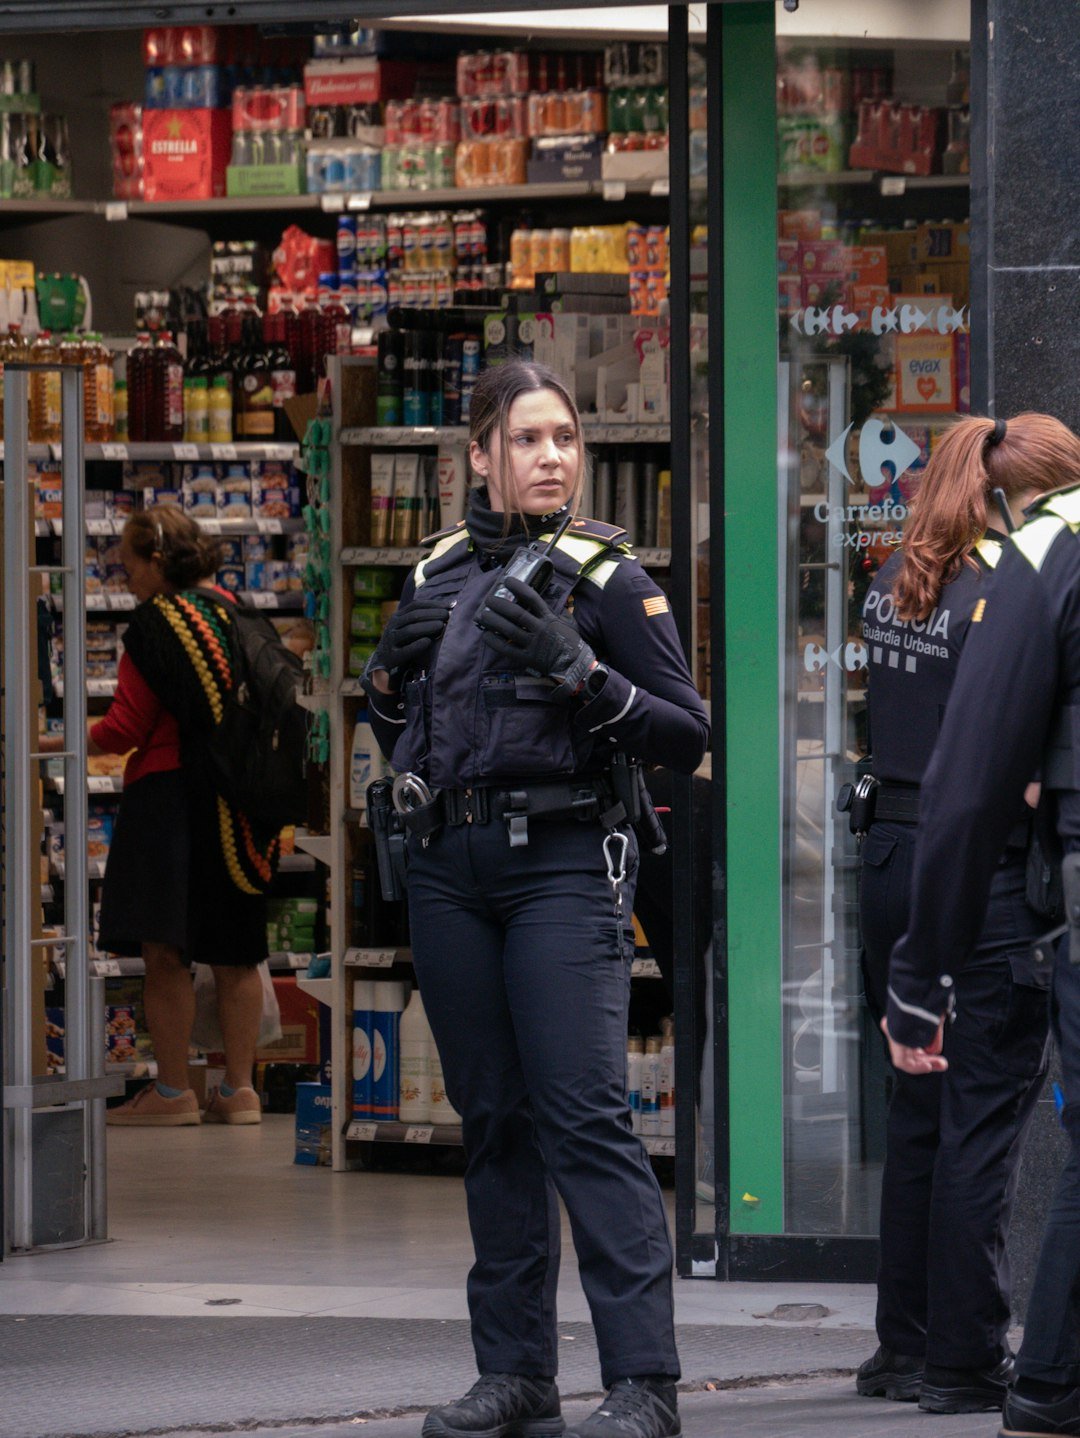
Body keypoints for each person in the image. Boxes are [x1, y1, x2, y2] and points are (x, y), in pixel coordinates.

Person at [363, 360, 709, 1438]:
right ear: (479, 454)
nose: (553, 455)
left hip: (562, 862)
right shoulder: (436, 571)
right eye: (528, 439)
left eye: (564, 437)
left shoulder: (608, 576)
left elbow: (687, 734)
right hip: (448, 868)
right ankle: (514, 1374)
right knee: (494, 1123)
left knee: (585, 1120)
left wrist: (584, 674)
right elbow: (411, 731)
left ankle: (644, 1383)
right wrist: (382, 679)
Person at [854, 416, 1069, 1414]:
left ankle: (899, 1346)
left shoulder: (895, 578)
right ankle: (964, 1356)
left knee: (916, 1115)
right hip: (972, 869)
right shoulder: (1003, 586)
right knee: (981, 1113)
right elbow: (993, 756)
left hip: (890, 852)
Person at [43, 505, 277, 1126]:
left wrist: (56, 742)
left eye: (128, 562)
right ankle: (240, 1092)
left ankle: (172, 1095)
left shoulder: (156, 625)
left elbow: (126, 726)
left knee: (165, 951)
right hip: (241, 804)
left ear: (155, 560)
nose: (124, 575)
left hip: (170, 800)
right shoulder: (234, 612)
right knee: (235, 949)